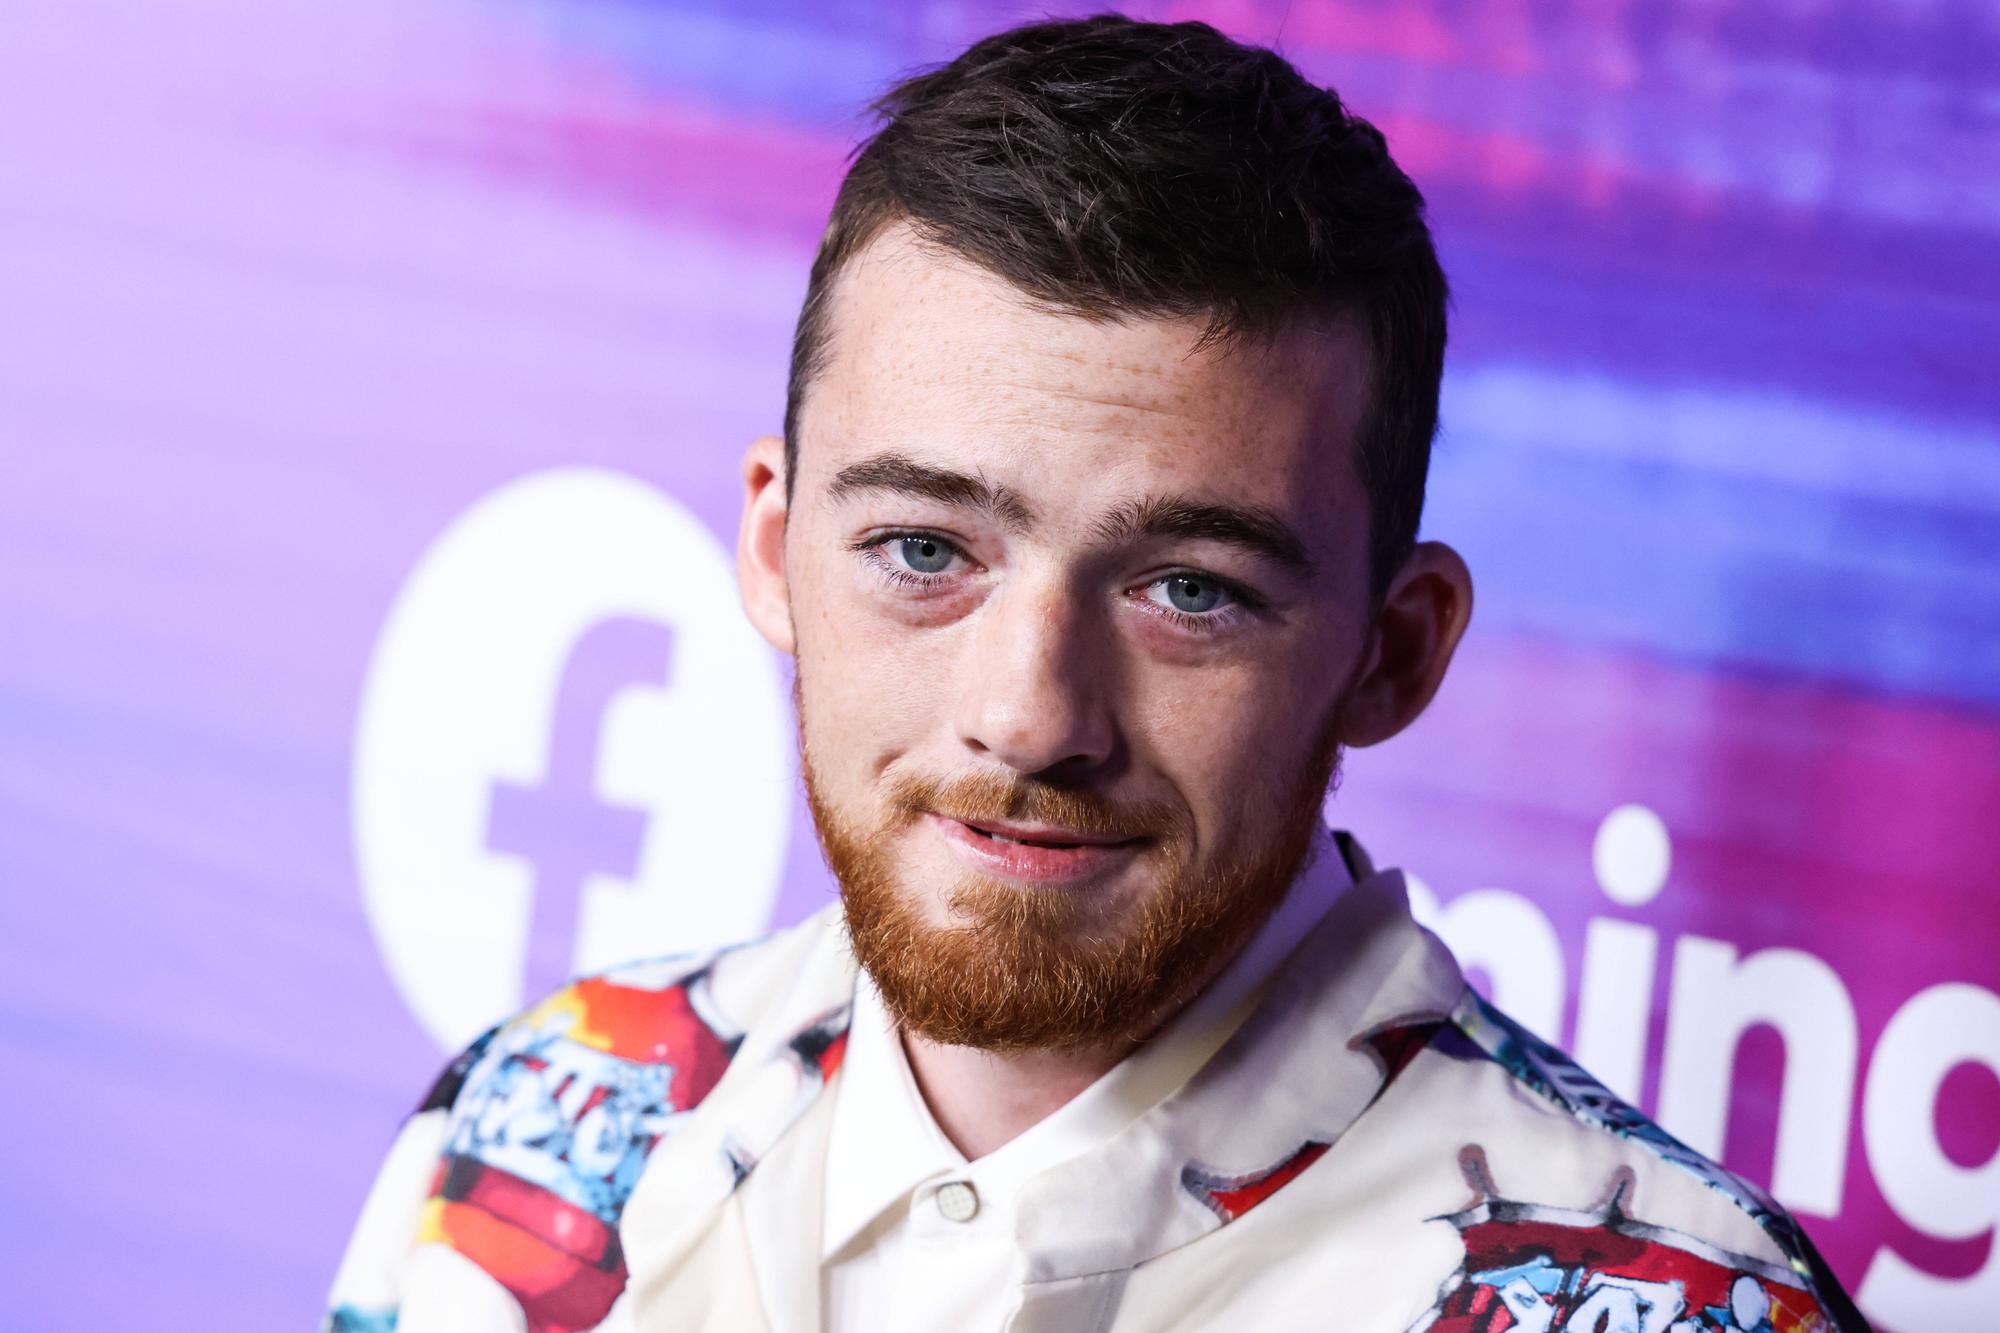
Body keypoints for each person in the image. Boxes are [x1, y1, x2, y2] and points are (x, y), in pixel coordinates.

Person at [324, 15, 1869, 1333]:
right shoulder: (526, 1126)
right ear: (777, 550)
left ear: (1392, 650)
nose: (1029, 715)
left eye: (1188, 590)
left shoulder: (1674, 1309)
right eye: (924, 550)